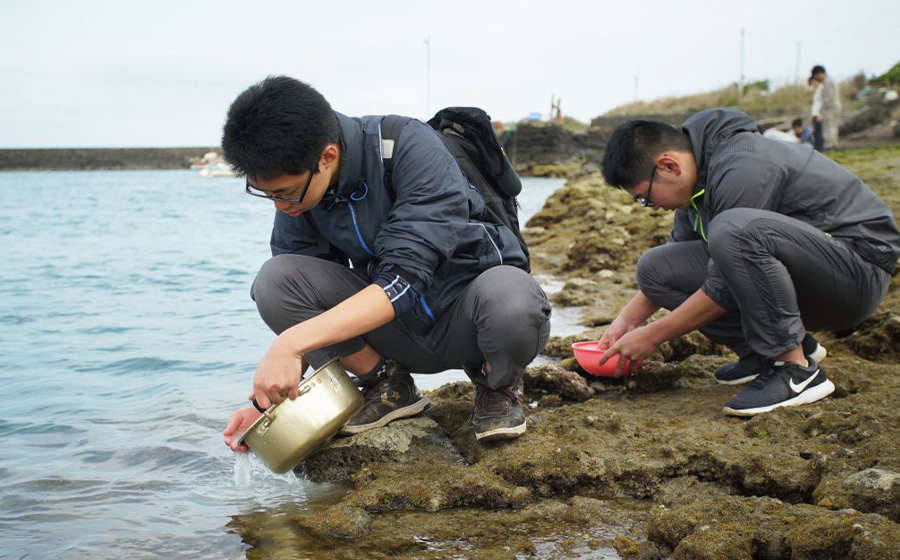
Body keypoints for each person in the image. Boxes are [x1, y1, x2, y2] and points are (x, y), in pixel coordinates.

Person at [220, 76, 551, 448]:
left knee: (513, 299)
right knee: (275, 282)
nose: (280, 206)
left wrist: (290, 344)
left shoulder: (407, 147)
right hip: (396, 335)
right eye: (267, 195)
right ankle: (388, 385)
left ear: (327, 156)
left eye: (283, 192)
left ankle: (498, 385)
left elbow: (404, 280)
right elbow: (302, 305)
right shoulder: (303, 197)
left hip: (471, 320)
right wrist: (268, 405)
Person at [597, 108, 900, 416]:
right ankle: (765, 353)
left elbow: (726, 277)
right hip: (811, 273)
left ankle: (794, 368)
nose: (649, 207)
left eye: (644, 198)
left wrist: (653, 336)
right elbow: (675, 264)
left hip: (858, 272)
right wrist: (626, 321)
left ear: (668, 166)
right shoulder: (698, 181)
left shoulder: (743, 165)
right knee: (655, 268)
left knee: (733, 231)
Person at [810, 65, 842, 150]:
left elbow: (829, 98)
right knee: (833, 127)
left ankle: (830, 146)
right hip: (834, 107)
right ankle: (832, 144)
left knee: (829, 127)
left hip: (830, 108)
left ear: (820, 73)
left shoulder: (827, 81)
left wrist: (821, 111)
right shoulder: (830, 80)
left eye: (816, 76)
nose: (817, 78)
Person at [809, 76, 825, 151]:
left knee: (819, 134)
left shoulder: (822, 89)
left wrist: (821, 114)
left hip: (819, 115)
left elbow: (823, 103)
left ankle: (819, 150)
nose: (812, 84)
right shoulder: (817, 90)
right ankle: (817, 149)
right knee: (816, 134)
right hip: (815, 115)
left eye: (812, 82)